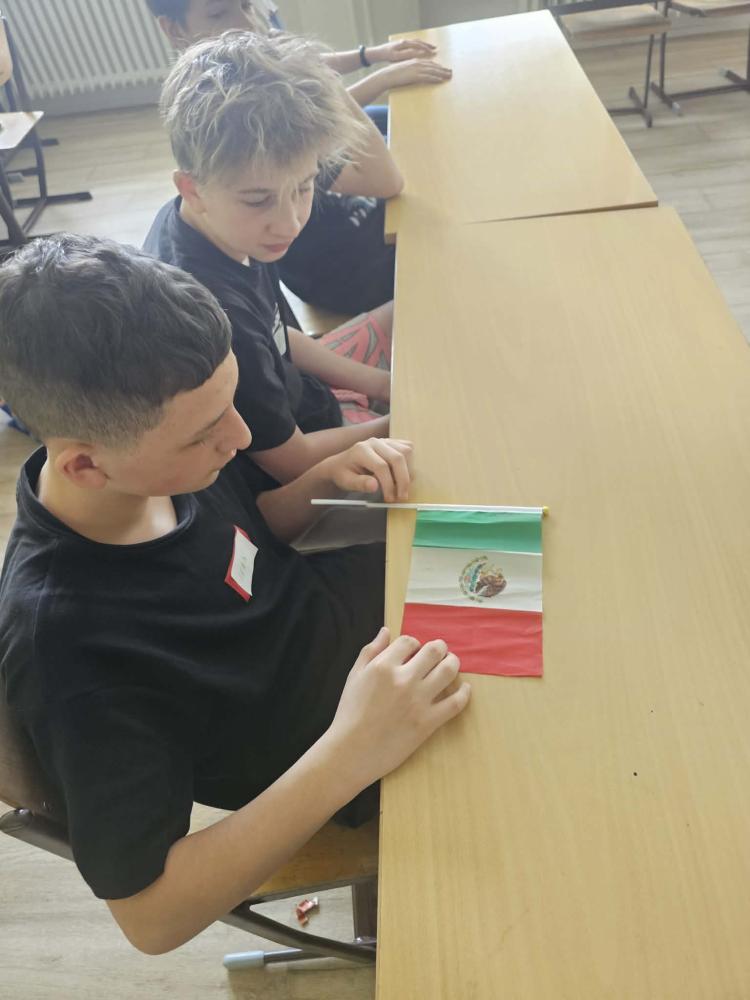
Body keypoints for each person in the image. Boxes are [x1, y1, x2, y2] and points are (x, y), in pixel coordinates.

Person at [0, 233, 471, 955]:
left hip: (372, 646)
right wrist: (355, 747)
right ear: (85, 467)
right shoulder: (73, 653)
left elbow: (244, 540)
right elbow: (151, 917)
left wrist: (322, 480)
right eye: (205, 432)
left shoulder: (156, 461)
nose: (242, 435)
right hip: (356, 747)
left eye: (231, 400)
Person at [145, 31, 395, 487]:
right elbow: (293, 462)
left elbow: (278, 334)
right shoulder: (217, 319)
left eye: (304, 187)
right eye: (258, 200)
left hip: (306, 392)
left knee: (414, 304)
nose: (290, 222)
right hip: (308, 457)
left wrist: (379, 384)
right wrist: (399, 422)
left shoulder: (226, 229)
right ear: (192, 189)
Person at [145, 0, 452, 313]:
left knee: (392, 128)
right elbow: (386, 180)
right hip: (344, 266)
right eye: (218, 13)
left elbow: (308, 74)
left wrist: (367, 56)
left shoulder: (228, 77)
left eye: (247, 5)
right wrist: (369, 78)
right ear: (172, 28)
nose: (247, 23)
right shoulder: (254, 144)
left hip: (327, 240)